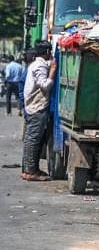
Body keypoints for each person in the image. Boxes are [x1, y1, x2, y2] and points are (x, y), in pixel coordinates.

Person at [22, 42, 56, 181]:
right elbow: (45, 85)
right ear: (47, 51)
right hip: (37, 107)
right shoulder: (40, 65)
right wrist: (53, 70)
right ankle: (30, 171)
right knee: (34, 140)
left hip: (34, 106)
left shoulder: (37, 64)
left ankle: (30, 169)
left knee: (33, 139)